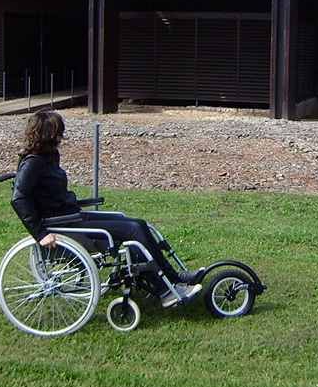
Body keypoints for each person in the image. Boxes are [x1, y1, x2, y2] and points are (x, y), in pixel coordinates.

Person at [11, 110, 202, 307]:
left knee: (138, 224)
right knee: (132, 231)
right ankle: (165, 290)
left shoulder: (49, 156)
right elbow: (19, 198)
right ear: (48, 133)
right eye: (59, 132)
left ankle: (174, 277)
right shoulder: (33, 162)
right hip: (62, 225)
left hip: (71, 216)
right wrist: (41, 234)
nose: (62, 136)